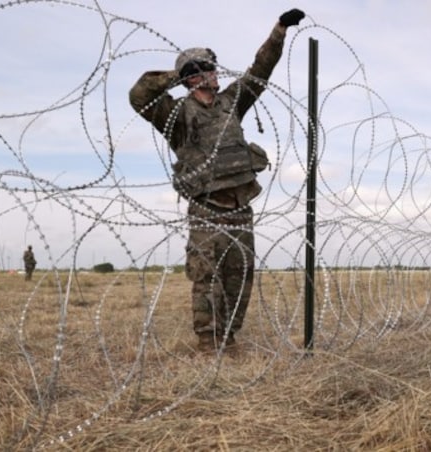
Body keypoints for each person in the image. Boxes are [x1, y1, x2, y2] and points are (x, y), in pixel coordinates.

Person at [129, 9, 305, 352]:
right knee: (207, 279)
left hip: (240, 210)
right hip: (207, 211)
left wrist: (279, 31)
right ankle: (209, 343)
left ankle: (230, 338)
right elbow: (138, 96)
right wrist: (177, 75)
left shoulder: (231, 102)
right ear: (191, 78)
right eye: (201, 70)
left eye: (210, 66)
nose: (210, 73)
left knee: (239, 279)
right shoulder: (175, 114)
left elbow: (260, 72)